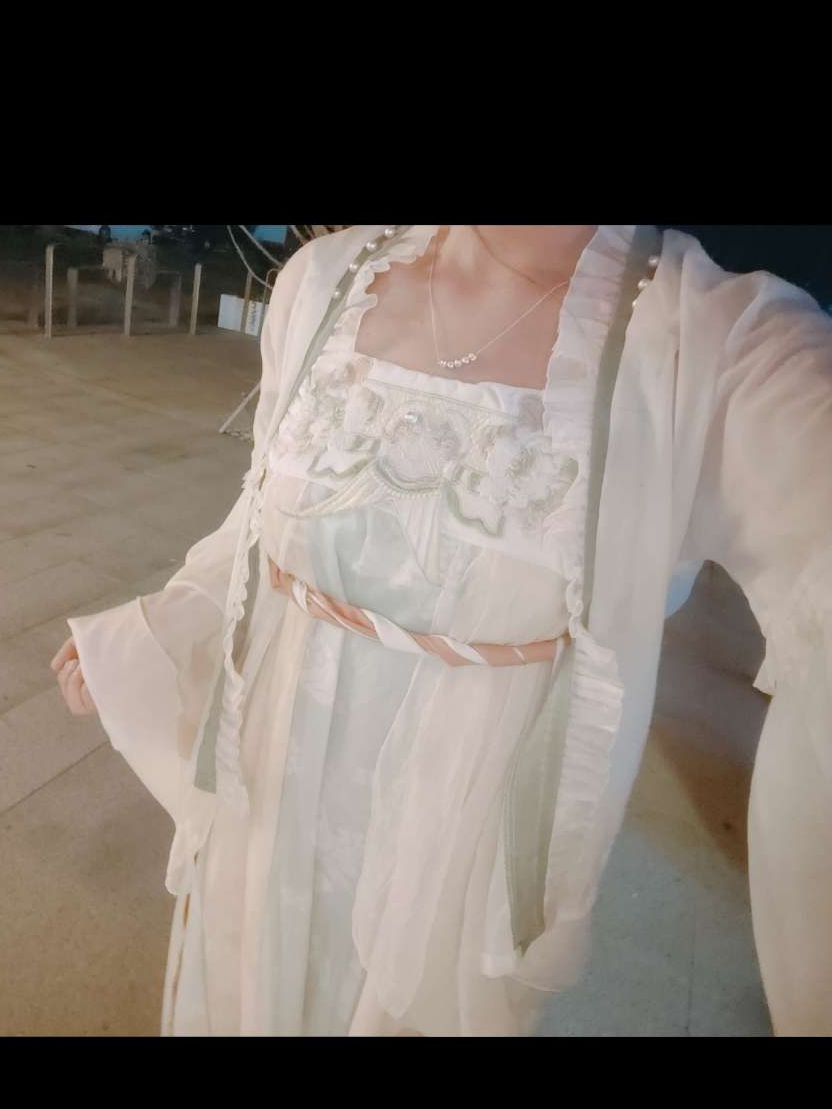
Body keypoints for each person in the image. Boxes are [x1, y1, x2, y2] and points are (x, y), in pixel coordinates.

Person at [51, 226, 832, 1036]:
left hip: (447, 870)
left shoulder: (716, 349)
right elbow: (262, 525)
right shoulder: (323, 279)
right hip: (266, 806)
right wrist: (162, 632)